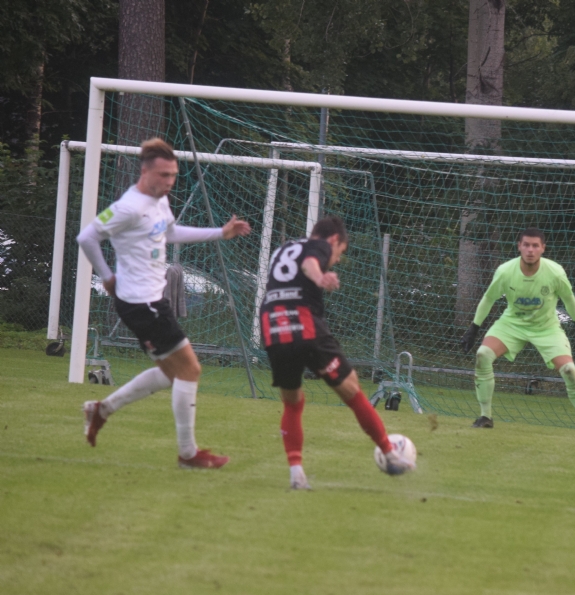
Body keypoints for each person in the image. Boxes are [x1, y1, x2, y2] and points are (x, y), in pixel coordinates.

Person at [76, 137, 252, 468]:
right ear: (145, 172)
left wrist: (220, 232)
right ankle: (188, 454)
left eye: (173, 175)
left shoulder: (160, 201)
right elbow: (87, 237)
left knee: (172, 373)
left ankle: (102, 410)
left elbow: (169, 233)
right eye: (163, 175)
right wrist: (107, 276)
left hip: (155, 300)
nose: (169, 181)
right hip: (140, 304)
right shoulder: (129, 207)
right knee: (190, 369)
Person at [259, 215, 396, 490]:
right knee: (352, 390)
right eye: (339, 252)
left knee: (292, 402)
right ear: (334, 240)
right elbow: (310, 263)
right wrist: (320, 277)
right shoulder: (320, 245)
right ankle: (390, 453)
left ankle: (296, 473)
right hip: (304, 323)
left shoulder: (284, 248)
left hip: (272, 327)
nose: (336, 259)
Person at [459, 227, 575, 438]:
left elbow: (569, 299)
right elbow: (488, 298)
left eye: (535, 245)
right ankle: (485, 416)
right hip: (512, 324)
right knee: (483, 355)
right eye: (526, 245)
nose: (530, 250)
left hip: (547, 328)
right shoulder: (505, 271)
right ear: (519, 247)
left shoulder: (555, 272)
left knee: (570, 370)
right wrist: (473, 329)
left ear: (543, 248)